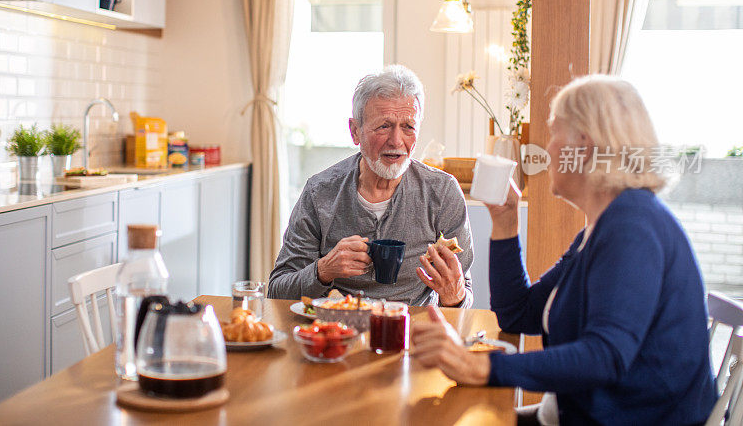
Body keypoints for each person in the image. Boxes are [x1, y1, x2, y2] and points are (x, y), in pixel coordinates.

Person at [411, 75, 716, 425]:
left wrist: (480, 366)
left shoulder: (633, 225)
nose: (546, 148)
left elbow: (606, 356)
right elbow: (518, 314)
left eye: (554, 132)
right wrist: (506, 224)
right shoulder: (603, 226)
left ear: (583, 145)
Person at [268, 65, 474, 307]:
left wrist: (454, 296)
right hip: (338, 330)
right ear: (355, 131)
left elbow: (465, 294)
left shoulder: (443, 192)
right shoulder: (319, 192)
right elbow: (277, 291)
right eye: (384, 126)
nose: (396, 141)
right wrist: (323, 270)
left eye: (408, 127)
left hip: (412, 333)